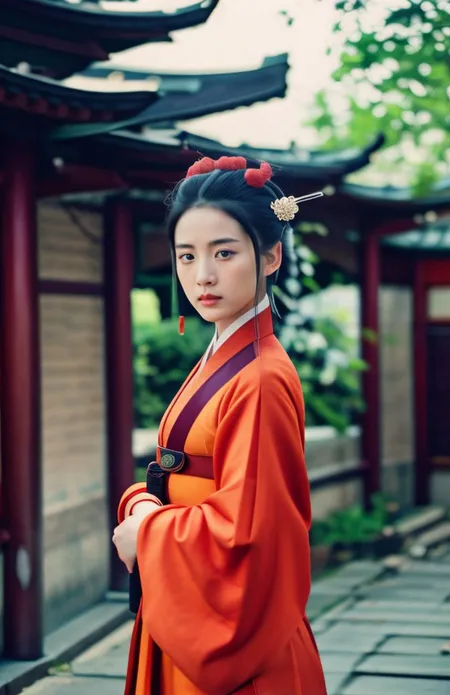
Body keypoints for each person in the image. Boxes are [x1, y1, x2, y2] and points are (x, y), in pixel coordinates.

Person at [112, 155, 328, 695]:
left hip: (233, 639)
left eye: (224, 253)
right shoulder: (223, 356)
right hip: (187, 601)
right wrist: (143, 501)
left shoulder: (259, 379)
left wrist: (148, 532)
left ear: (271, 256)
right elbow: (185, 472)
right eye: (186, 256)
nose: (201, 276)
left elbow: (251, 534)